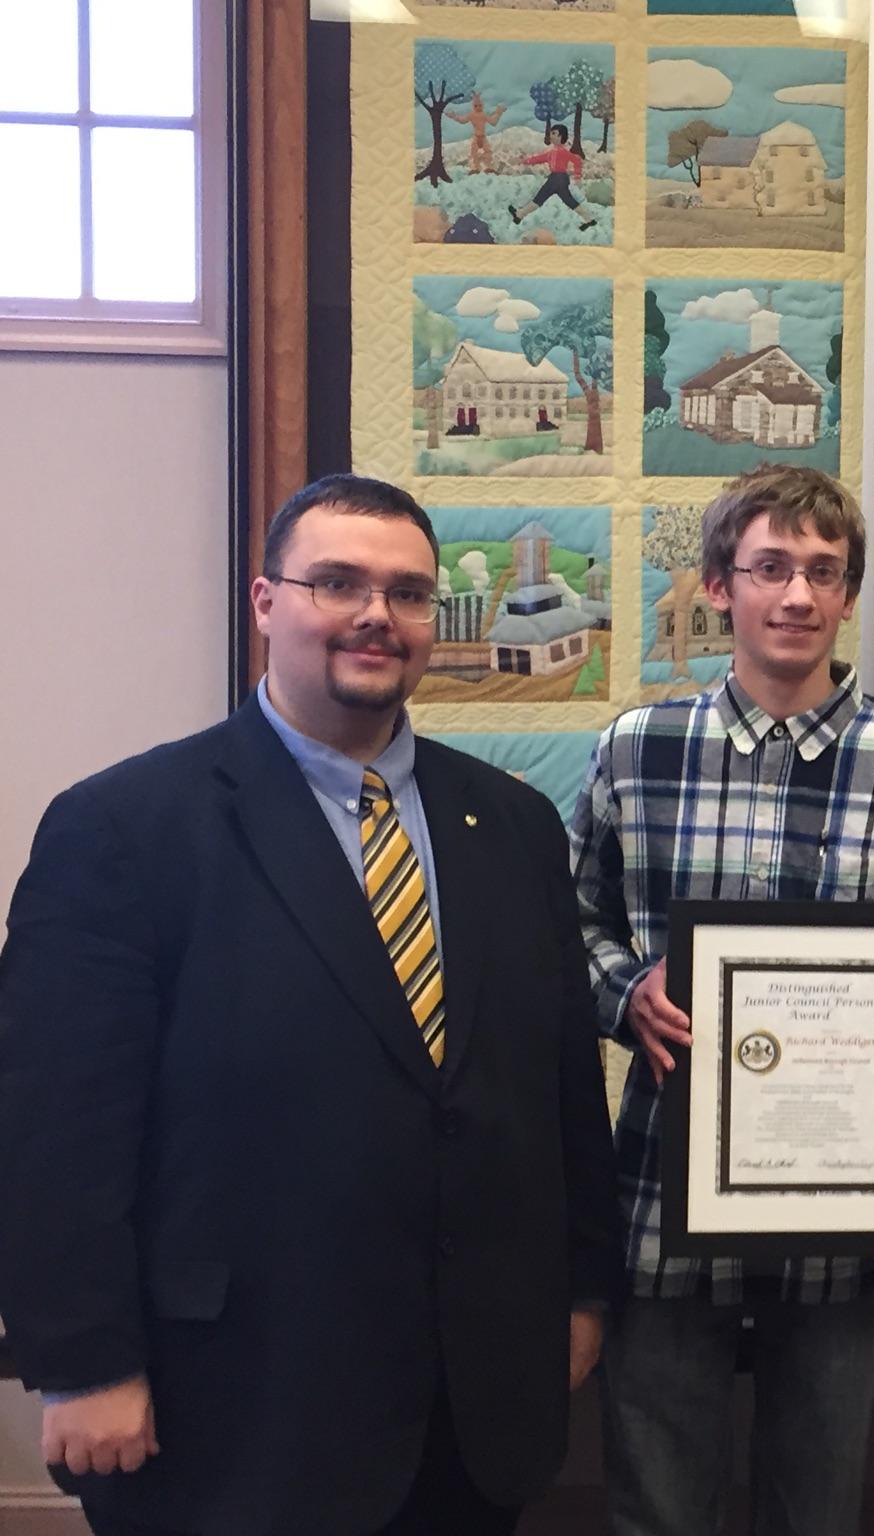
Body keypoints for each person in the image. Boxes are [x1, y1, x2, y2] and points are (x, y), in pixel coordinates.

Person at [0, 475, 619, 1536]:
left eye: (409, 592)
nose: (377, 614)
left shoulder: (512, 825)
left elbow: (556, 1085)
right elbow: (54, 1128)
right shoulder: (125, 828)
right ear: (266, 602)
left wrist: (581, 1294)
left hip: (468, 1404)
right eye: (337, 583)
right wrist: (83, 1361)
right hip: (232, 1407)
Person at [571, 464, 874, 1536]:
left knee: (816, 1505)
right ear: (719, 586)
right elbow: (562, 936)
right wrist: (630, 996)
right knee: (657, 1502)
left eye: (822, 571)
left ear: (849, 595)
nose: (796, 596)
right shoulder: (635, 747)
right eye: (769, 568)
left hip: (842, 1206)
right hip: (665, 1188)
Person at [509, 123, 599, 232]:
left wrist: (578, 176)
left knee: (540, 198)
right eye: (551, 133)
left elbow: (577, 161)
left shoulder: (562, 152)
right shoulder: (552, 153)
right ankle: (589, 219)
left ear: (561, 136)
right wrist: (523, 161)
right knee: (569, 201)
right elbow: (538, 159)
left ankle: (519, 215)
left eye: (554, 133)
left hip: (557, 178)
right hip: (559, 179)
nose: (551, 135)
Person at [451, 89, 505, 177]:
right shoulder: (472, 115)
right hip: (476, 137)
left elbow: (493, 122)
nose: (478, 107)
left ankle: (488, 167)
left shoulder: (483, 115)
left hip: (483, 137)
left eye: (480, 105)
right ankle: (476, 168)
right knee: (474, 153)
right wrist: (454, 117)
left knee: (488, 152)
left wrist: (498, 113)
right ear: (473, 106)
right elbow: (463, 120)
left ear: (482, 106)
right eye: (476, 106)